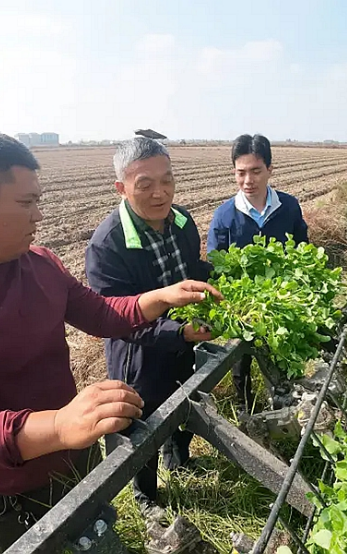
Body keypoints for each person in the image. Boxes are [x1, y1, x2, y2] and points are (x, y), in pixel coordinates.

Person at [0, 131, 220, 554]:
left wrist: (158, 298)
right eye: (27, 203)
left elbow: (99, 314)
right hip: (9, 494)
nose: (39, 216)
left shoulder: (40, 264)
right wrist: (59, 425)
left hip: (79, 459)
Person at [85, 137, 213, 517]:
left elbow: (192, 268)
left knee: (186, 397)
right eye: (145, 184)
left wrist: (224, 279)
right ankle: (145, 496)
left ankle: (181, 460)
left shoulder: (183, 221)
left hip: (184, 340)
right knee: (139, 425)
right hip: (137, 356)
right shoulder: (107, 245)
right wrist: (178, 333)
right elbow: (116, 318)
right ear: (121, 188)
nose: (160, 193)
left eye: (168, 180)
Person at [206, 133, 308, 414]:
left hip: (281, 303)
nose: (248, 180)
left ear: (270, 170)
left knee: (280, 356)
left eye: (255, 171)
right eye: (241, 173)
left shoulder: (288, 207)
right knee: (241, 361)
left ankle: (284, 405)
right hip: (242, 308)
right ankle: (245, 407)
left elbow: (303, 252)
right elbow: (216, 265)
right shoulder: (224, 216)